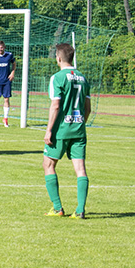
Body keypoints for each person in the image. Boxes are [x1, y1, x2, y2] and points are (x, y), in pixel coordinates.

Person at [43, 43, 91, 219]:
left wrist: (49, 130)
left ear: (59, 58)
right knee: (80, 169)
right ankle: (80, 210)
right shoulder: (83, 78)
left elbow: (55, 105)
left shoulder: (57, 77)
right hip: (78, 129)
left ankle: (57, 208)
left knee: (48, 164)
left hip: (61, 130)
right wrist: (79, 124)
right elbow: (88, 108)